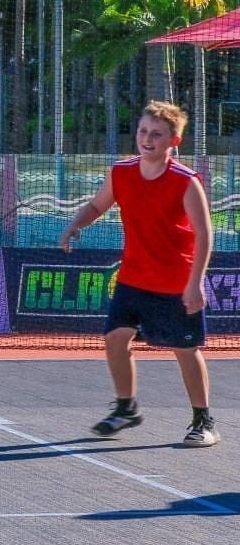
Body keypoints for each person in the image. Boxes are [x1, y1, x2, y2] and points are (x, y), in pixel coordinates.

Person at [59, 100, 218, 447]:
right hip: (133, 278)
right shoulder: (121, 172)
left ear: (173, 141)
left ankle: (203, 421)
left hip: (175, 283)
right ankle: (126, 407)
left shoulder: (185, 181)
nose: (147, 139)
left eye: (157, 134)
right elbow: (97, 205)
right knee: (115, 338)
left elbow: (205, 235)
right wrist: (75, 224)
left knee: (184, 350)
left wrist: (195, 284)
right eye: (144, 131)